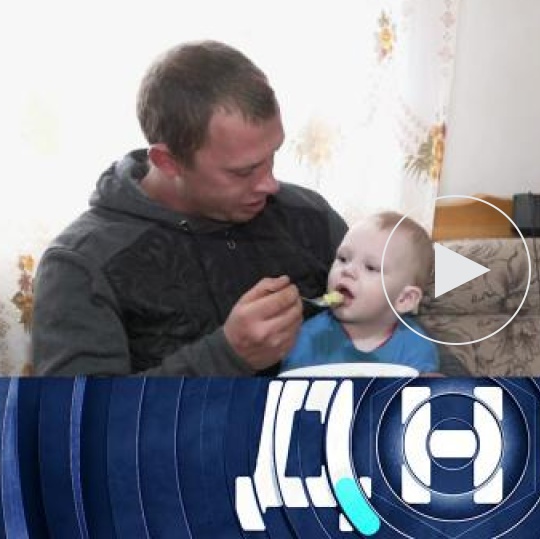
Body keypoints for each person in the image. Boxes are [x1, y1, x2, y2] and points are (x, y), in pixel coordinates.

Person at [32, 40, 348, 376]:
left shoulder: (308, 215)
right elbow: (82, 409)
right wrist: (228, 356)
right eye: (243, 172)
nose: (270, 184)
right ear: (167, 162)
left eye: (273, 155)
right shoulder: (82, 265)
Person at [280, 211, 439, 373]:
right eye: (343, 259)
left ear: (405, 299)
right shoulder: (308, 338)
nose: (347, 270)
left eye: (370, 267)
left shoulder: (416, 348)